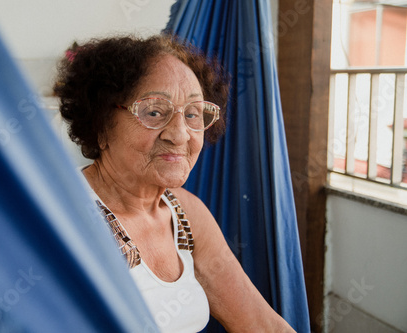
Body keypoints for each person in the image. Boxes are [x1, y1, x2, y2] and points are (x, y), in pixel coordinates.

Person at [54, 34, 295, 333]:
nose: (180, 135)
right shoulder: (66, 214)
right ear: (100, 124)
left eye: (193, 114)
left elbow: (261, 325)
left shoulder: (187, 213)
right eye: (154, 112)